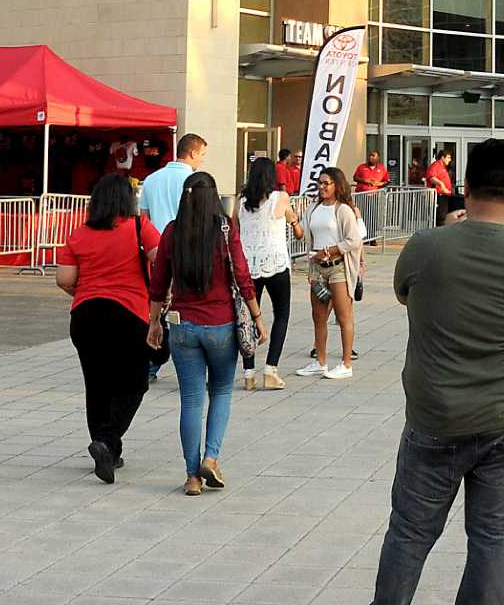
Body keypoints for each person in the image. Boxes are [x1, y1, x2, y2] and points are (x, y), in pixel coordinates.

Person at [373, 139, 504, 605]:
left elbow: (403, 295)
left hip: (436, 416)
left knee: (410, 535)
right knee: (493, 539)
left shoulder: (427, 247)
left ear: (463, 187)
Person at [148, 173, 261, 496]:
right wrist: (257, 316)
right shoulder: (225, 230)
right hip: (221, 324)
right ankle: (211, 458)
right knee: (222, 391)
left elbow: (158, 283)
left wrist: (154, 322)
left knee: (191, 401)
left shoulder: (172, 231)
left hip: (183, 326)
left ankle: (191, 476)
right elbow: (241, 274)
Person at [55, 172, 161, 483]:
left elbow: (64, 279)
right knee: (134, 383)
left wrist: (86, 291)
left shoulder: (80, 234)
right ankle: (107, 439)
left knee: (97, 384)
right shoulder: (140, 228)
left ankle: (109, 452)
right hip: (129, 314)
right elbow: (162, 261)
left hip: (86, 315)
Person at [137, 133, 207, 381]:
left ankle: (151, 363)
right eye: (202, 155)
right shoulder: (193, 180)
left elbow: (143, 218)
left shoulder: (151, 180)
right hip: (187, 252)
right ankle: (188, 365)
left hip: (157, 253)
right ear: (193, 153)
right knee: (186, 310)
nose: (202, 160)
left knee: (157, 309)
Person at [236, 155, 303, 390]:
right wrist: (294, 221)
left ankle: (248, 373)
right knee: (281, 314)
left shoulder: (241, 202)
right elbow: (297, 230)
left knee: (247, 317)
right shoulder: (280, 198)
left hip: (247, 265)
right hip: (275, 263)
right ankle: (271, 370)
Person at [298, 167, 363, 380]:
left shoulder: (343, 210)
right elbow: (306, 236)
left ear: (337, 185)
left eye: (327, 183)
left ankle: (346, 363)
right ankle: (320, 360)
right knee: (318, 316)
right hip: (317, 268)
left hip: (338, 267)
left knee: (344, 316)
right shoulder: (313, 208)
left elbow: (353, 240)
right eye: (320, 183)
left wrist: (330, 251)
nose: (322, 187)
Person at [427, 149, 461, 219]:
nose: (450, 159)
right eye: (448, 157)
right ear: (442, 157)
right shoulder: (436, 165)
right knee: (441, 217)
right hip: (440, 195)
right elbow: (431, 177)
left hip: (446, 195)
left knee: (446, 216)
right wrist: (441, 184)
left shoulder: (443, 167)